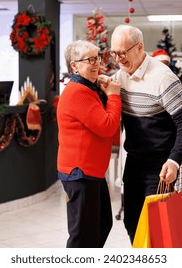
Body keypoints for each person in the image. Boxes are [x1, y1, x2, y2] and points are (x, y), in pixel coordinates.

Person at [109, 25, 182, 244]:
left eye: (123, 52)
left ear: (139, 48)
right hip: (134, 162)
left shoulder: (162, 77)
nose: (118, 58)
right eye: (114, 53)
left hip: (160, 166)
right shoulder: (119, 76)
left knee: (159, 229)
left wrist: (174, 161)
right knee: (132, 223)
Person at [57, 40, 121, 248]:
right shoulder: (78, 92)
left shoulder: (88, 88)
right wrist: (113, 95)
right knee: (82, 237)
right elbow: (107, 126)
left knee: (102, 225)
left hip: (90, 172)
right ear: (74, 65)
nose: (97, 64)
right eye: (90, 60)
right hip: (80, 173)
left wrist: (103, 89)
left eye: (98, 58)